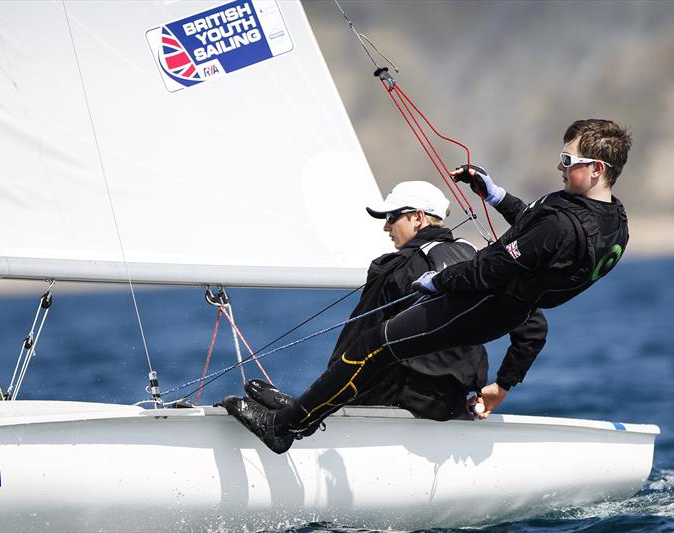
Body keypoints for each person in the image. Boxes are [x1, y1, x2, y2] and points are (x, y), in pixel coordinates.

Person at [224, 118, 632, 454]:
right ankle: (304, 410)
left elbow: (492, 269)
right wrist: (496, 195)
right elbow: (540, 229)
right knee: (381, 351)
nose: (559, 167)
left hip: (482, 304)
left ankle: (286, 427)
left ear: (596, 167)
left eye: (567, 159)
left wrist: (440, 280)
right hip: (498, 301)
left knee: (373, 345)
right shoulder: (614, 222)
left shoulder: (561, 226)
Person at [245, 181, 489, 423]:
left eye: (392, 217)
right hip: (453, 400)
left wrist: (323, 391)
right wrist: (503, 384)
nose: (386, 227)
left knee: (366, 356)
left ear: (418, 217)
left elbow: (359, 336)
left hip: (404, 396)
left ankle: (303, 410)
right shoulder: (473, 257)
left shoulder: (396, 266)